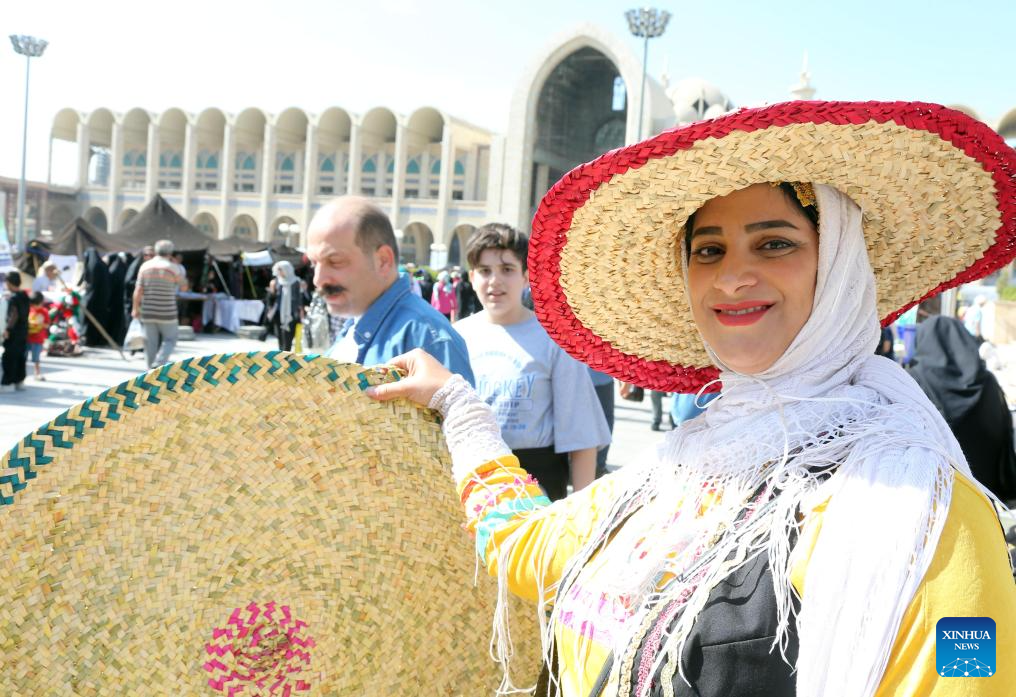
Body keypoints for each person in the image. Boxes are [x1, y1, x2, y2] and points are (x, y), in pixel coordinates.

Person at [367, 102, 1016, 696]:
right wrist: (458, 404)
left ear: (840, 268)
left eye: (775, 243)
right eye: (708, 250)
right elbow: (526, 546)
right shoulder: (669, 479)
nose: (733, 276)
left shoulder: (927, 518)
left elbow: (972, 673)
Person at [453, 223, 610, 500]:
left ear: (526, 277)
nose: (495, 281)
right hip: (471, 481)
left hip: (538, 483)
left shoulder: (553, 339)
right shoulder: (456, 338)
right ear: (472, 277)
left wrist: (579, 513)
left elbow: (582, 435)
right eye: (485, 271)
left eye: (507, 270)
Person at [306, 196, 473, 384]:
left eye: (335, 262)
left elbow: (463, 411)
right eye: (314, 264)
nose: (318, 279)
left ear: (383, 260)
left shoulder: (427, 338)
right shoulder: (353, 328)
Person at [909, 315, 1016, 502]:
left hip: (940, 495)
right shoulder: (986, 381)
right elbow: (1002, 429)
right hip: (985, 494)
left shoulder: (914, 382)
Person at [133, 239, 187, 369]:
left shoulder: (145, 266)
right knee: (170, 339)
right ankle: (159, 362)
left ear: (156, 251)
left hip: (148, 310)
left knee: (150, 342)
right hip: (167, 312)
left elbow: (138, 290)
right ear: (170, 252)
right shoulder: (173, 268)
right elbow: (184, 287)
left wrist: (135, 308)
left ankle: (149, 370)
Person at [266, 260, 307, 352]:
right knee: (279, 336)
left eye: (281, 270)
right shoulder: (276, 282)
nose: (279, 272)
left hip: (292, 313)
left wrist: (304, 290)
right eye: (278, 270)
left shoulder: (297, 282)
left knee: (288, 337)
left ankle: (286, 356)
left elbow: (302, 300)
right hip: (278, 314)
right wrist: (271, 292)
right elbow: (270, 300)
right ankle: (281, 356)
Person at [2, 271, 30, 392]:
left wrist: (8, 329)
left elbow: (14, 315)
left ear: (9, 283)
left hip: (14, 331)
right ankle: (19, 381)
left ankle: (8, 383)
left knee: (9, 356)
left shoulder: (14, 298)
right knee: (20, 356)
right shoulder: (25, 295)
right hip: (23, 330)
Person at [26, 291, 49, 381]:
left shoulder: (44, 312)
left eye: (37, 304)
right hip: (28, 338)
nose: (35, 307)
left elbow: (47, 325)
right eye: (33, 304)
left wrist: (40, 323)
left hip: (38, 339)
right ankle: (22, 374)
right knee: (23, 356)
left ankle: (37, 373)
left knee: (36, 358)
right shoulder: (29, 310)